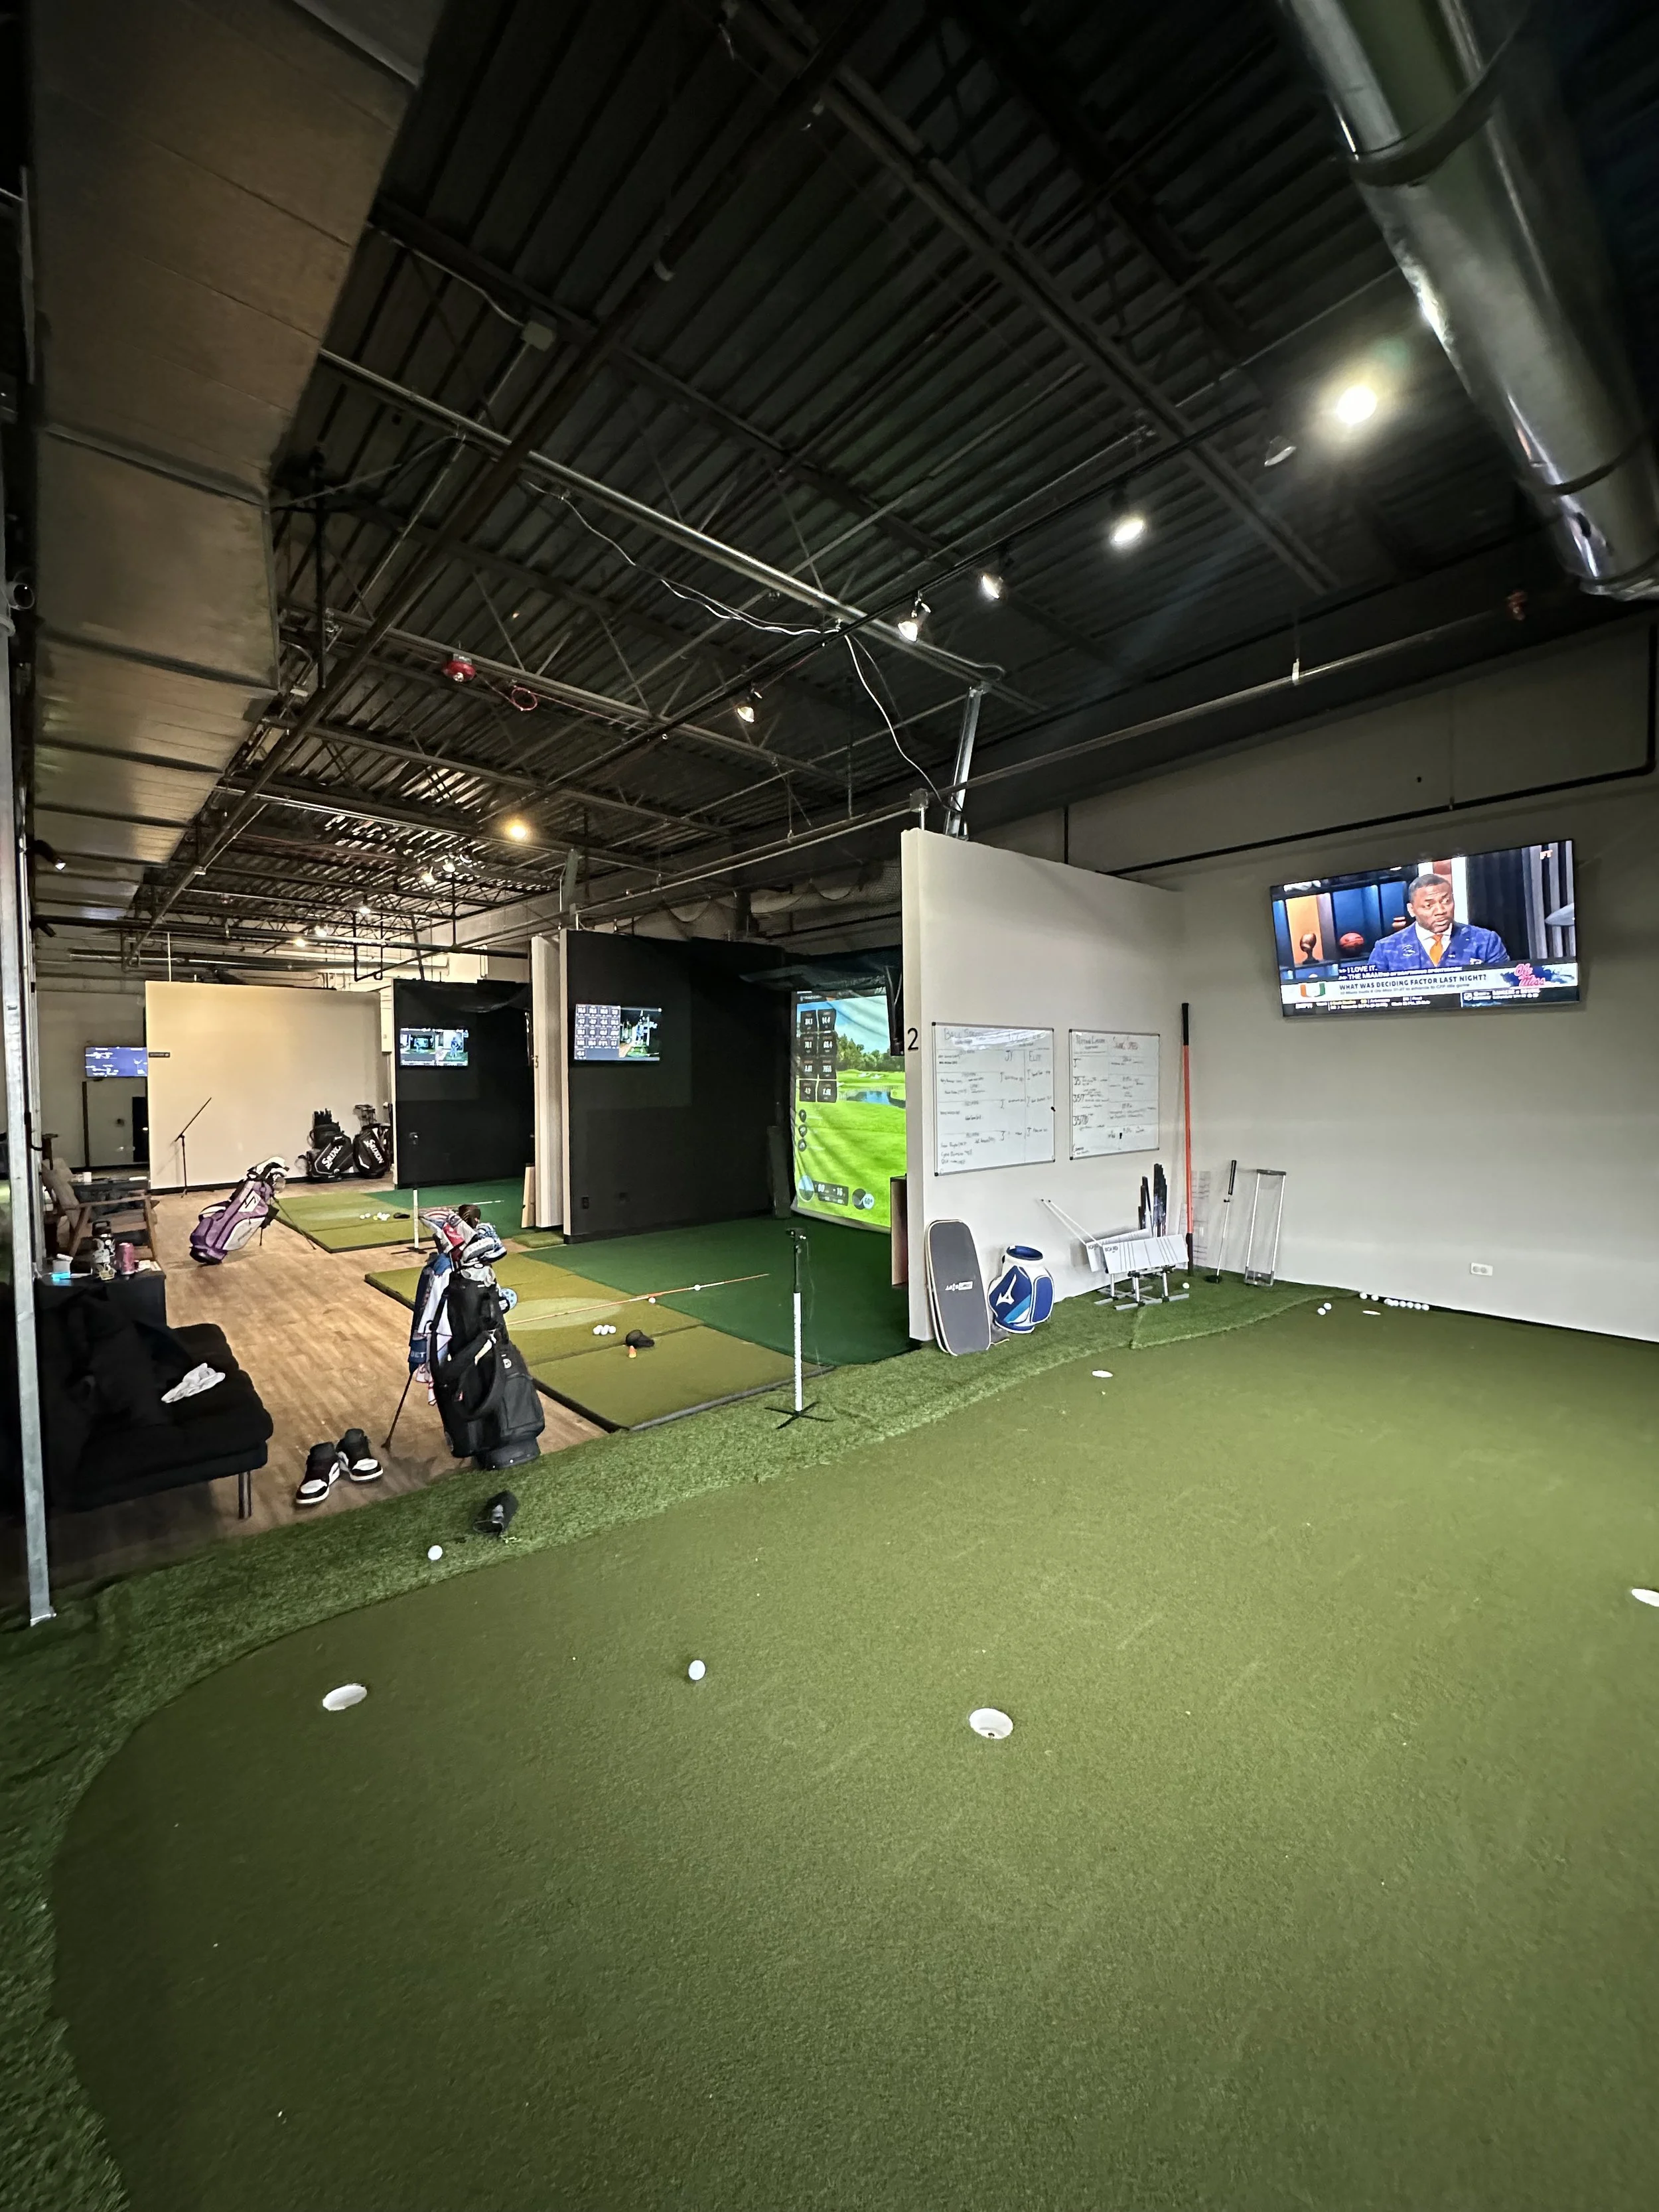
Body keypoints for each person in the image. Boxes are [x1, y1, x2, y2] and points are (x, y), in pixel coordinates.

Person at [1366, 873, 1508, 970]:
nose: (1440, 910)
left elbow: (1504, 991)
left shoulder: (1485, 941)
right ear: (1411, 909)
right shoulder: (1386, 949)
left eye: (1447, 901)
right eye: (1429, 905)